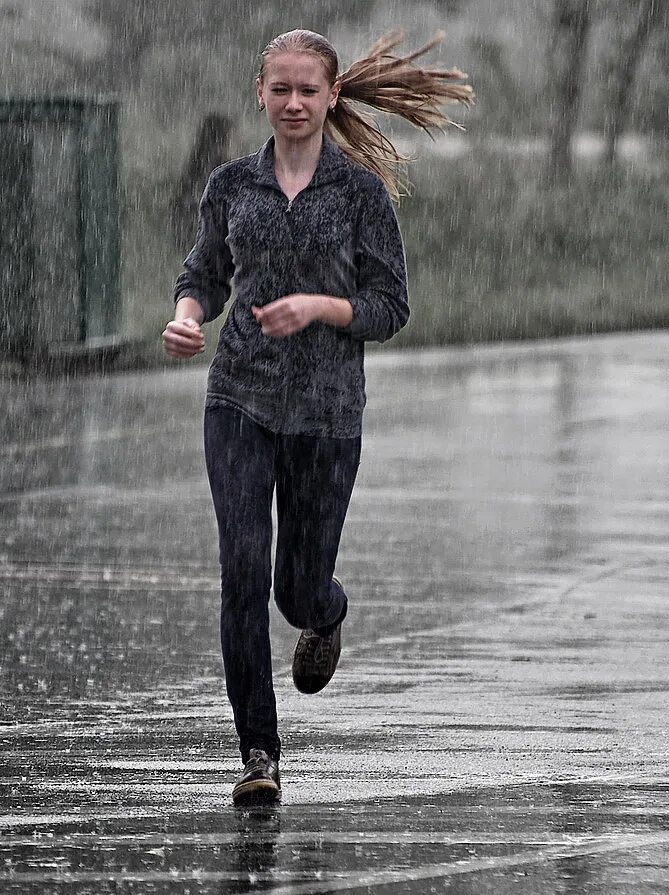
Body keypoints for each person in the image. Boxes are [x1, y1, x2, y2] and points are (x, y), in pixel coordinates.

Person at [164, 28, 472, 807]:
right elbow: (205, 270)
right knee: (242, 571)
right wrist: (188, 314)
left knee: (294, 592)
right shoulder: (232, 184)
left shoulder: (360, 192)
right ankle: (259, 754)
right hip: (240, 398)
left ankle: (326, 612)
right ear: (259, 94)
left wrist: (321, 308)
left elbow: (389, 306)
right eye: (281, 89)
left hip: (328, 414)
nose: (294, 103)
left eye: (308, 89)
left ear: (332, 95)